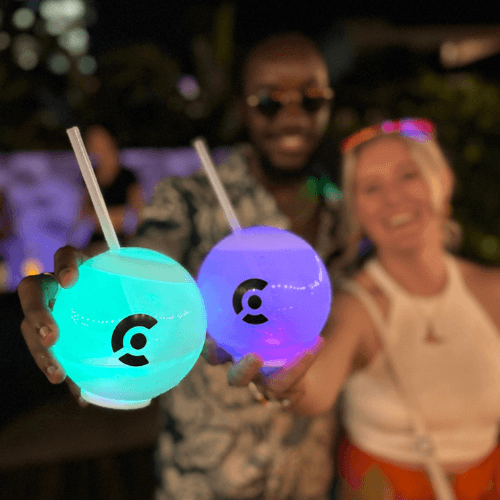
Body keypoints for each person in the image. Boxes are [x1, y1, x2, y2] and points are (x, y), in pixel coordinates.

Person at [18, 32, 345, 500]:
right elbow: (145, 270)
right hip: (207, 478)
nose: (292, 114)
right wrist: (82, 290)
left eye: (311, 98)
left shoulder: (341, 207)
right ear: (243, 107)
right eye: (269, 100)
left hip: (311, 474)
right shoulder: (190, 200)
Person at [231, 118, 500, 500]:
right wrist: (284, 380)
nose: (392, 198)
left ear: (442, 179)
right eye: (371, 187)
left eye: (408, 175)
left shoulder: (491, 289)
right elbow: (315, 387)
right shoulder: (357, 306)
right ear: (355, 209)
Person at [80, 124, 145, 255]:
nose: (96, 146)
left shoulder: (127, 176)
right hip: (97, 239)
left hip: (121, 238)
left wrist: (122, 216)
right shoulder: (89, 177)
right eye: (92, 142)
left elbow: (140, 209)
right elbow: (83, 211)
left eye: (99, 140)